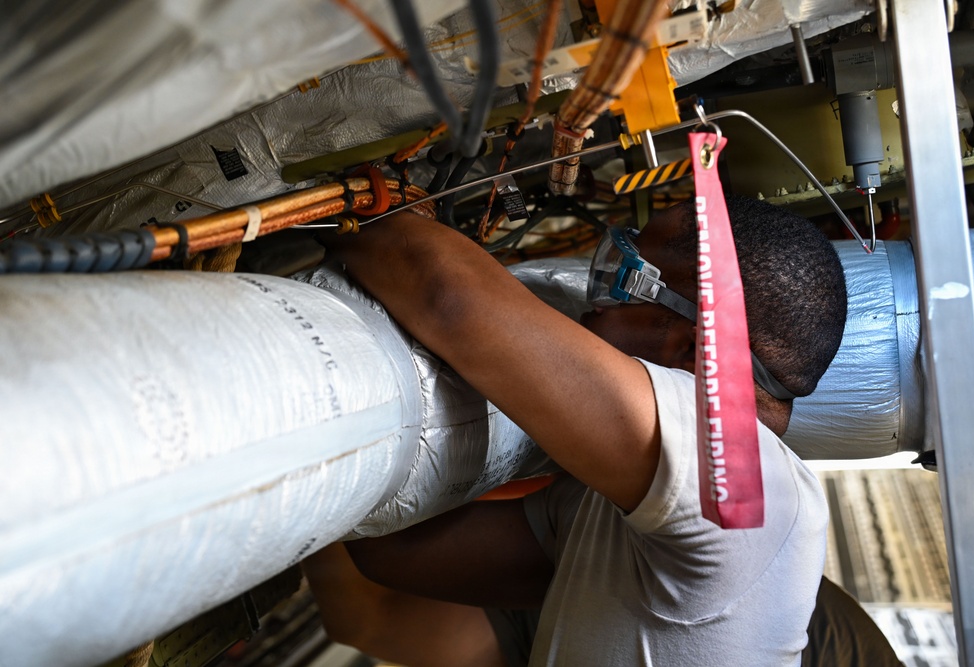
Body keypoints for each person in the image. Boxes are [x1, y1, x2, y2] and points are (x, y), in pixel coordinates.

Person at [305, 195, 851, 665]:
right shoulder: (637, 515)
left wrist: (354, 207)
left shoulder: (746, 480)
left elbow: (445, 297)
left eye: (624, 281)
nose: (593, 308)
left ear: (693, 351)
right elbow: (391, 552)